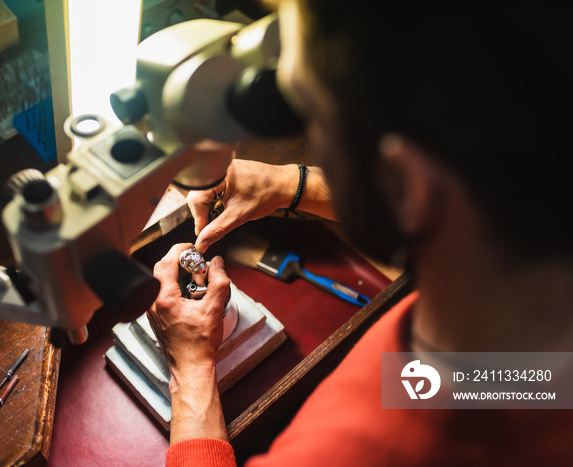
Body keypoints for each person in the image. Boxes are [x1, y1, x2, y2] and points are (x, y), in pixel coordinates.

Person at [146, 1, 573, 465]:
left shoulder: (350, 450)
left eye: (306, 112)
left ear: (402, 184)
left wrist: (190, 370)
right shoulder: (525, 368)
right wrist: (288, 184)